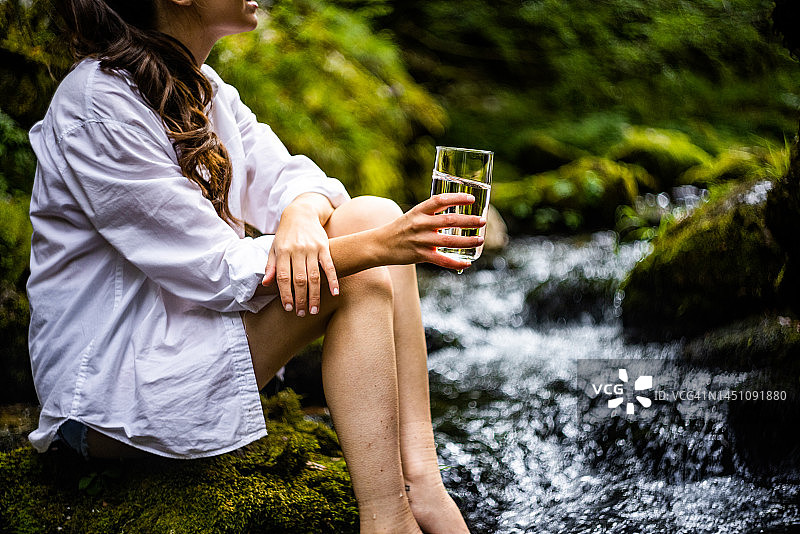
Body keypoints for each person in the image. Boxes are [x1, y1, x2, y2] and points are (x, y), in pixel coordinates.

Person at [26, 0, 483, 532]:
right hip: (110, 399)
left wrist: (300, 215)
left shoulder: (203, 88)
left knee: (372, 213)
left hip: (184, 348)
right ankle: (387, 519)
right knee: (362, 261)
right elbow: (217, 271)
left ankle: (423, 480)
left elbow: (298, 179)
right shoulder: (98, 106)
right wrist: (383, 246)